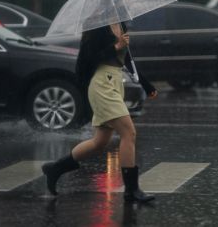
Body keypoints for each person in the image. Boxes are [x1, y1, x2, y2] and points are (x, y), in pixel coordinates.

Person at [42, 22, 157, 203]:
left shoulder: (121, 25)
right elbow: (88, 59)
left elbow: (126, 59)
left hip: (116, 82)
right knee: (129, 133)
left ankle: (55, 169)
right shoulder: (97, 27)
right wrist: (116, 46)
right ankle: (132, 190)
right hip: (102, 85)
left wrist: (146, 85)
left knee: (99, 142)